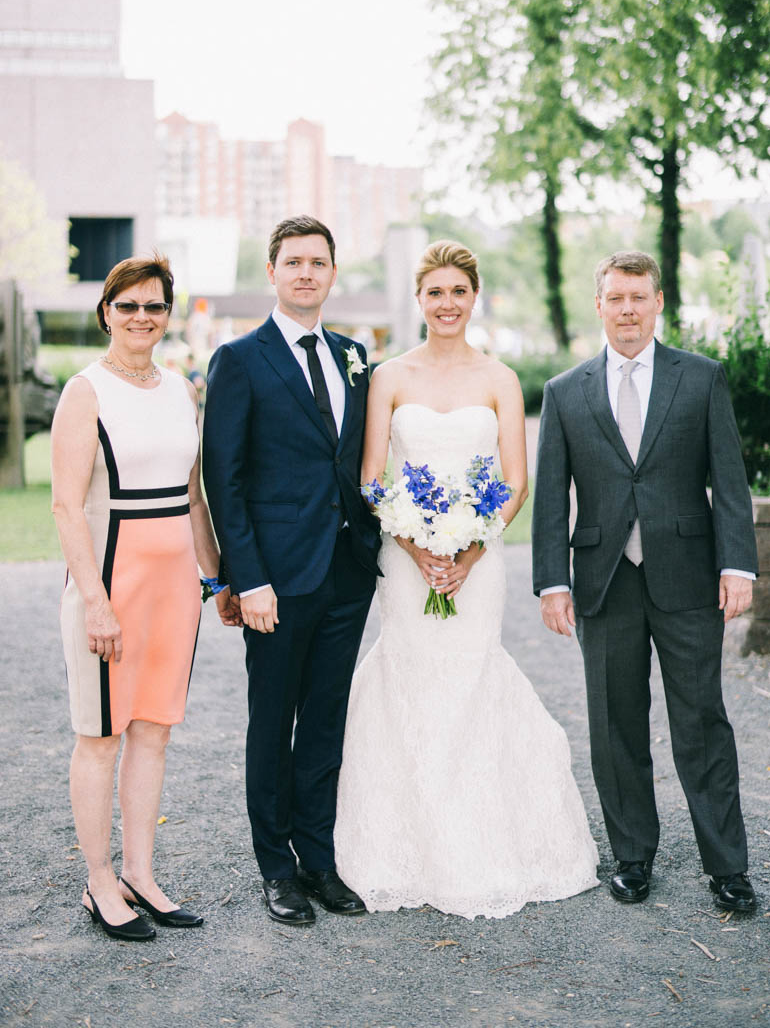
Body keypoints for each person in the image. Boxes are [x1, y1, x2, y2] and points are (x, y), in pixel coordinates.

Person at [334, 240, 599, 919]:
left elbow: (516, 482)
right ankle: (405, 846)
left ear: (472, 298)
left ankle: (480, 842)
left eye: (458, 292)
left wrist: (470, 549)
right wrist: (417, 545)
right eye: (435, 293)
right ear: (418, 299)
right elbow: (370, 477)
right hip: (405, 558)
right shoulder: (389, 377)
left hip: (477, 565)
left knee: (470, 675)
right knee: (411, 678)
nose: (447, 304)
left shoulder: (500, 379)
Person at [532, 250, 759, 913]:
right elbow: (551, 499)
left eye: (639, 297)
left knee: (702, 723)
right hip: (604, 582)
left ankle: (728, 866)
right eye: (616, 298)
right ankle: (633, 857)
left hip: (689, 577)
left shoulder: (701, 378)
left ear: (659, 302)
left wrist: (737, 563)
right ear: (598, 305)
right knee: (614, 724)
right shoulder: (566, 391)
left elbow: (730, 478)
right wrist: (552, 582)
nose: (627, 309)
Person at [52, 253, 240, 942]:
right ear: (107, 311)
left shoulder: (176, 389)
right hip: (111, 578)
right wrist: (95, 601)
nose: (141, 317)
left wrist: (216, 577)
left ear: (167, 314)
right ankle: (99, 880)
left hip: (172, 587)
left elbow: (192, 495)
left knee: (153, 730)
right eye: (127, 305)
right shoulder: (85, 391)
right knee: (100, 736)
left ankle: (140, 872)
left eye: (153, 305)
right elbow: (66, 507)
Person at [202, 215, 381, 927]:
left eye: (318, 262)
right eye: (293, 262)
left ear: (333, 274)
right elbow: (226, 477)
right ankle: (276, 869)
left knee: (326, 726)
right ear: (272, 273)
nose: (306, 272)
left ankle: (319, 862)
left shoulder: (354, 354)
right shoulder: (240, 359)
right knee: (272, 724)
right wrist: (248, 580)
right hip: (275, 580)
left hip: (345, 572)